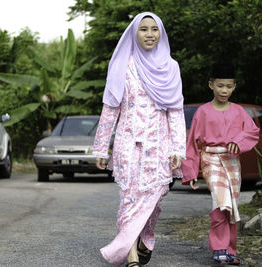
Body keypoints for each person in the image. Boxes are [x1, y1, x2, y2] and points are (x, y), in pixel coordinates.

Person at [93, 12, 186, 267]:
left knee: (153, 202)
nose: (149, 34)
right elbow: (110, 108)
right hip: (128, 145)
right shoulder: (124, 65)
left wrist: (178, 147)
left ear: (161, 33)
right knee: (129, 199)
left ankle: (145, 237)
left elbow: (176, 111)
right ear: (134, 33)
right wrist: (102, 148)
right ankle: (130, 252)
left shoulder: (171, 67)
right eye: (143, 29)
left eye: (154, 29)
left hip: (160, 147)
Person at [181, 63, 259, 265]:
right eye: (220, 85)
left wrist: (237, 142)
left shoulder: (239, 111)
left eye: (229, 86)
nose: (224, 90)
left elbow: (252, 132)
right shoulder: (203, 112)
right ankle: (219, 248)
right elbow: (191, 143)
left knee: (231, 206)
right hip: (211, 159)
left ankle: (230, 249)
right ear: (211, 85)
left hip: (232, 161)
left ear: (234, 87)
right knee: (221, 201)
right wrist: (190, 173)